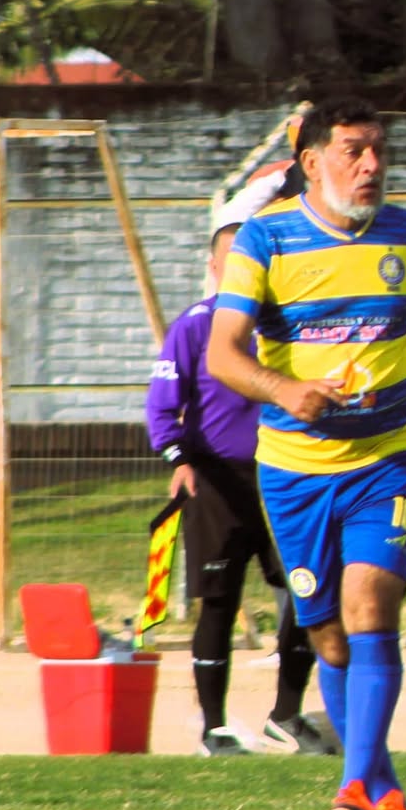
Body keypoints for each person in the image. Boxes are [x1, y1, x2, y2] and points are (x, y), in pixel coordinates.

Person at [206, 95, 406, 810]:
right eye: (353, 151)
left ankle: (351, 787)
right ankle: (385, 791)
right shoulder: (265, 239)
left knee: (372, 610)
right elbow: (223, 353)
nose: (371, 165)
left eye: (378, 151)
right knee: (330, 638)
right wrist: (285, 390)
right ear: (312, 162)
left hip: (388, 459)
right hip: (295, 472)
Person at [145, 174, 333, 757]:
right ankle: (213, 728)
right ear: (213, 266)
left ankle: (286, 716)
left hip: (288, 474)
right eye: (228, 263)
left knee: (307, 591)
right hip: (218, 481)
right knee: (219, 602)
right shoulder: (195, 327)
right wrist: (179, 459)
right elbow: (161, 407)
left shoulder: (289, 322)